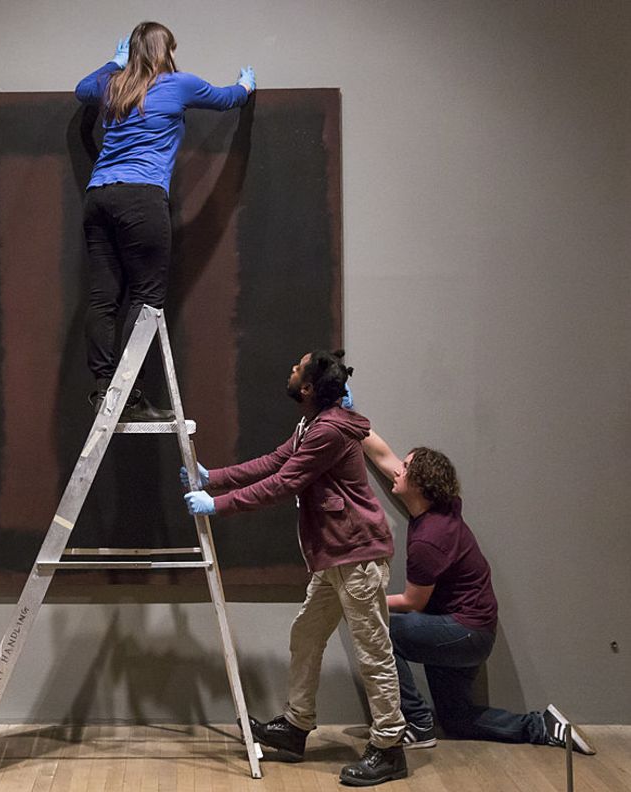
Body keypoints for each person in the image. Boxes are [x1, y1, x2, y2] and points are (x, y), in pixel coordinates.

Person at [181, 351, 408, 786]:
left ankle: (390, 747)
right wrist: (213, 478)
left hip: (356, 554)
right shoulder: (312, 425)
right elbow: (274, 462)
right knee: (305, 635)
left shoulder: (328, 431)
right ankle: (296, 727)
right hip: (336, 554)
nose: (290, 369)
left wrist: (218, 506)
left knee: (374, 653)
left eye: (296, 368)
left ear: (307, 388)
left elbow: (284, 483)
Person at [361, 431, 595, 754]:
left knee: (378, 626)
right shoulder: (438, 505)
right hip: (467, 629)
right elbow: (383, 455)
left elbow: (414, 603)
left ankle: (416, 722)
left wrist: (363, 602)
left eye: (406, 467)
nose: (397, 469)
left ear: (420, 485)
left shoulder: (429, 539)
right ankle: (544, 726)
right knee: (457, 720)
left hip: (464, 632)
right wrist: (351, 417)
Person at [75, 21, 254, 421]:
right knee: (145, 301)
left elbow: (80, 88)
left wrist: (112, 63)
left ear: (133, 52)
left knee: (104, 298)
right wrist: (245, 86)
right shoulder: (177, 84)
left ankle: (105, 389)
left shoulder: (111, 85)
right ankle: (124, 397)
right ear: (165, 51)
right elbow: (227, 100)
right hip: (142, 198)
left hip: (99, 196)